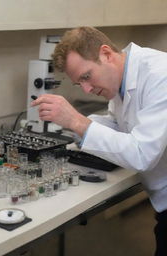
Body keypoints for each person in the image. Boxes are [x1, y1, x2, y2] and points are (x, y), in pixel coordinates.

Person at [31, 26, 167, 256]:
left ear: (106, 54)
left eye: (86, 76)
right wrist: (73, 123)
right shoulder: (121, 81)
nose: (87, 89)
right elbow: (119, 126)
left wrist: (77, 121)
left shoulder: (159, 74)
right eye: (79, 84)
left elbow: (142, 154)